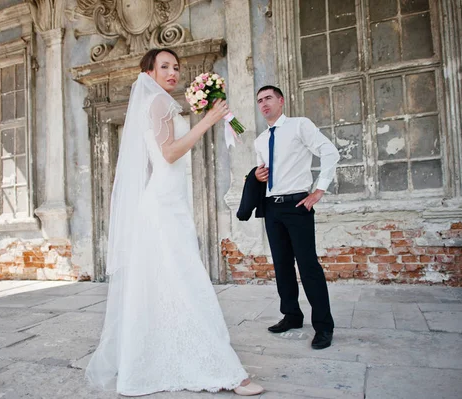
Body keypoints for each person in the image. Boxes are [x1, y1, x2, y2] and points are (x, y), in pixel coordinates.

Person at [85, 48, 264, 397]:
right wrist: (208, 121)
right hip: (165, 205)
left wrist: (206, 115)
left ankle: (161, 357)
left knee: (170, 281)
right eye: (164, 66)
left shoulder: (160, 104)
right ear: (149, 73)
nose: (172, 72)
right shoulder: (159, 104)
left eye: (176, 67)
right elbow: (168, 153)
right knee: (189, 280)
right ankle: (226, 370)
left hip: (167, 201)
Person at [254, 85, 340, 350]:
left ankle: (324, 327)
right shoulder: (260, 140)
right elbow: (264, 172)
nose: (264, 103)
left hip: (297, 204)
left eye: (268, 98)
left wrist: (318, 191)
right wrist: (258, 175)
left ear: (281, 100)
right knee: (281, 265)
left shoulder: (300, 125)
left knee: (308, 265)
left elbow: (330, 152)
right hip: (272, 208)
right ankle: (291, 315)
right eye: (259, 101)